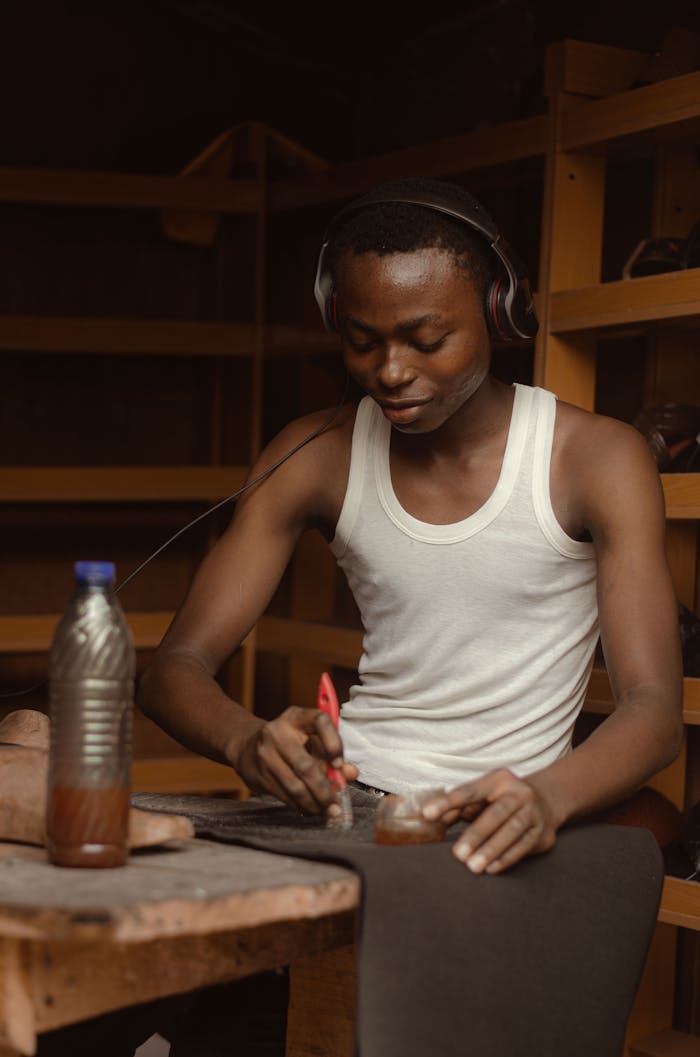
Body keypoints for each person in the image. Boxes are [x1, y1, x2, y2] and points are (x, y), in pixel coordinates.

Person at [138, 176, 683, 880]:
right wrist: (248, 741)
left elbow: (655, 712)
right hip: (347, 805)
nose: (391, 371)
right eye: (362, 342)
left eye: (427, 339)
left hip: (500, 809)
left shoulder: (596, 460)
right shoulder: (316, 455)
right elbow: (170, 672)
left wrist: (545, 799)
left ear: (498, 309)